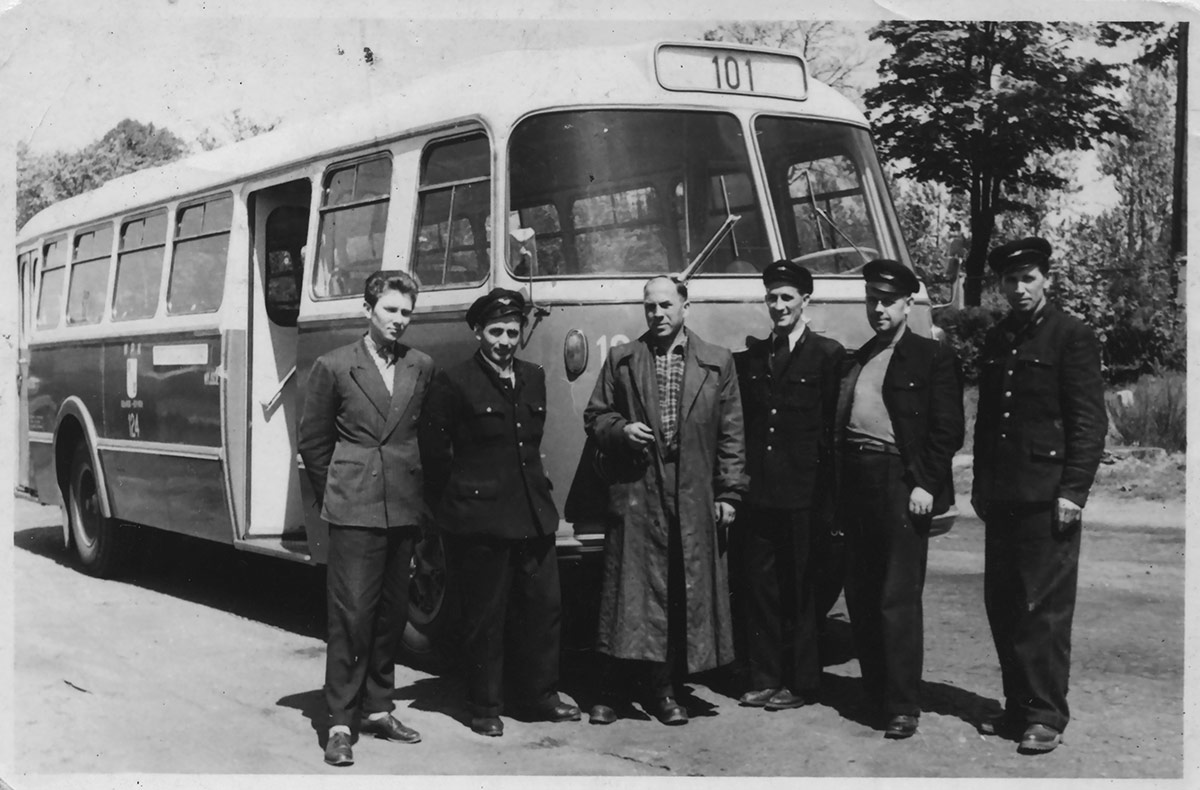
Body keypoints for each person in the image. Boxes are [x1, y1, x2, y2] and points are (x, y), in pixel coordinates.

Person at [583, 275, 746, 726]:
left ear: (685, 306)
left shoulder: (717, 362)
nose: (657, 314)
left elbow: (731, 434)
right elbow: (595, 415)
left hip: (692, 492)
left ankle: (664, 691)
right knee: (627, 596)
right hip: (638, 491)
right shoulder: (623, 359)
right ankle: (608, 694)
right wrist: (620, 430)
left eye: (666, 305)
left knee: (677, 591)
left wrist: (729, 491)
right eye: (650, 306)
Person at [419, 288, 579, 738]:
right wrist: (458, 506)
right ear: (477, 332)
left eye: (512, 331)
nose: (506, 340)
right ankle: (484, 704)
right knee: (485, 616)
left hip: (532, 514)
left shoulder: (532, 376)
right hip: (480, 520)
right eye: (496, 331)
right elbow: (434, 455)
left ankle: (539, 696)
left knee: (542, 609)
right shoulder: (454, 381)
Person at [973, 237, 1107, 754]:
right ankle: (1016, 708)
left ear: (1046, 279)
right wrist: (981, 486)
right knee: (1003, 605)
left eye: (1028, 277)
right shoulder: (1000, 336)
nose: (1019, 287)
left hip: (1048, 494)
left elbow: (1088, 421)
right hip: (1003, 494)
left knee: (1042, 611)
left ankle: (1046, 715)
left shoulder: (1072, 335)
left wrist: (1074, 490)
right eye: (1010, 279)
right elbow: (987, 421)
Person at [298, 270, 431, 767]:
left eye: (406, 313)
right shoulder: (334, 367)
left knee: (391, 615)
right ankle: (338, 722)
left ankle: (377, 707)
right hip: (354, 508)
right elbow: (313, 443)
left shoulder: (421, 365)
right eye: (391, 310)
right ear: (368, 310)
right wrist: (338, 492)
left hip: (403, 505)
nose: (399, 320)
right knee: (351, 616)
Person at [834, 259, 964, 740]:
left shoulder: (931, 356)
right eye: (871, 299)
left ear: (908, 303)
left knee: (896, 597)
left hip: (900, 481)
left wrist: (925, 485)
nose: (878, 308)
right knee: (862, 593)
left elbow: (947, 429)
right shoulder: (862, 354)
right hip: (856, 479)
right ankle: (875, 695)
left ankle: (903, 705)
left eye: (887, 300)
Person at [733, 260, 844, 711]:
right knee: (760, 586)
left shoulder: (828, 354)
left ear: (805, 301)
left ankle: (801, 682)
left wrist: (831, 498)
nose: (778, 306)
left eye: (787, 298)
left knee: (801, 587)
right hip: (760, 492)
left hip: (804, 493)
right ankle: (764, 676)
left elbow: (832, 431)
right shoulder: (757, 356)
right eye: (772, 298)